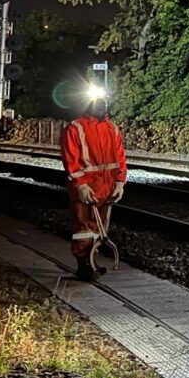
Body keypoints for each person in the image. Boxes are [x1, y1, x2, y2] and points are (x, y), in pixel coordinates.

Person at [61, 90, 127, 280]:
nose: (101, 104)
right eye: (97, 100)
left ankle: (92, 261)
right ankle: (83, 265)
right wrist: (80, 185)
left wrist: (120, 183)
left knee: (99, 229)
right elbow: (71, 160)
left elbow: (120, 159)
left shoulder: (112, 129)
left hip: (106, 189)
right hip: (86, 190)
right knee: (83, 228)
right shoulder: (75, 128)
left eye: (104, 100)